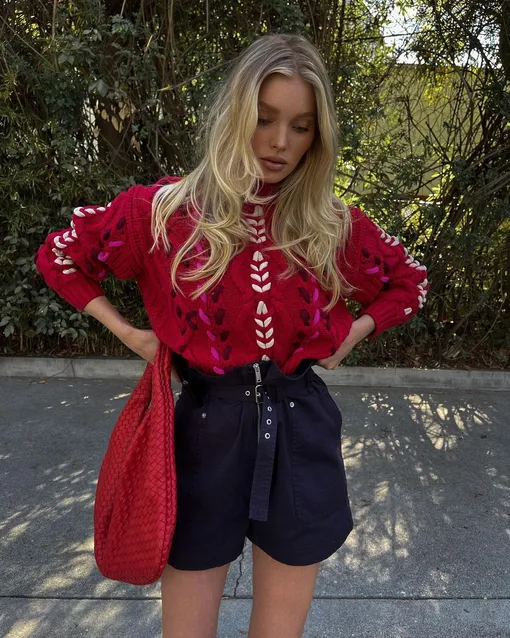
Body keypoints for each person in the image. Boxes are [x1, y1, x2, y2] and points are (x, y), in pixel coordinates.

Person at [36, 33, 429, 638]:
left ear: (317, 137)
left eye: (300, 126)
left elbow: (408, 282)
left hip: (301, 430)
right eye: (264, 118)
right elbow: (61, 257)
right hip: (204, 433)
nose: (279, 142)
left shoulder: (329, 224)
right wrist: (131, 334)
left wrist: (353, 332)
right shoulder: (161, 213)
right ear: (234, 114)